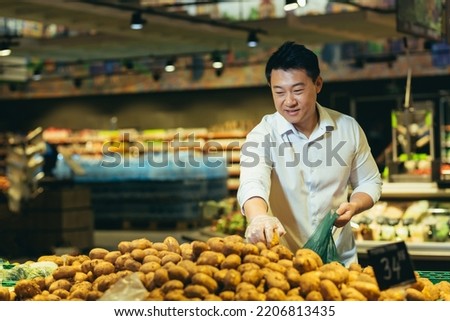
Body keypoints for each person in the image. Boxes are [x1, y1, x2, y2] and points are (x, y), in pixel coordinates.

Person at [237, 41, 382, 266]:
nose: (289, 101)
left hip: (339, 262)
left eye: (297, 90)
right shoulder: (262, 135)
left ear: (318, 84)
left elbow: (369, 181)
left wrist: (354, 206)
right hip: (284, 263)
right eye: (279, 92)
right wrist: (259, 217)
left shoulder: (347, 128)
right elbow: (252, 183)